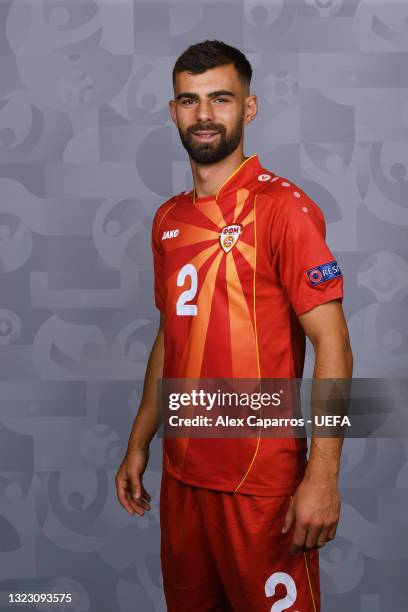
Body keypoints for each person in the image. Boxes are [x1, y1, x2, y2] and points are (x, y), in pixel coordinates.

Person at [115, 40, 353, 611]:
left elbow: (334, 345)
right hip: (184, 477)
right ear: (173, 112)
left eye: (220, 99)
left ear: (248, 108)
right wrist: (139, 440)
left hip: (260, 482)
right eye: (190, 101)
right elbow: (172, 336)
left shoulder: (284, 209)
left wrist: (322, 476)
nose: (204, 115)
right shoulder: (168, 219)